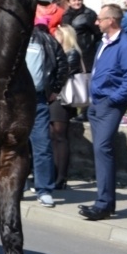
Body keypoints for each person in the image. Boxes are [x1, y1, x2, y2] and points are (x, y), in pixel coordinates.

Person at [80, 4, 127, 220]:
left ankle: (103, 205)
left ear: (111, 21)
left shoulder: (126, 46)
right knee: (102, 152)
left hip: (109, 104)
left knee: (102, 149)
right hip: (97, 103)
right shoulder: (105, 42)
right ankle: (108, 202)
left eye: (100, 19)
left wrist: (113, 99)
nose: (96, 22)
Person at [26, 17, 69, 208]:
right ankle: (15, 187)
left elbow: (62, 65)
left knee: (42, 145)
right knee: (15, 147)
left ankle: (44, 190)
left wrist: (55, 90)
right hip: (13, 101)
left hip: (38, 100)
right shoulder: (16, 38)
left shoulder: (48, 42)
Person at [51, 24, 83, 190]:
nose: (55, 37)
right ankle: (54, 174)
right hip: (55, 97)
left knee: (60, 136)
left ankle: (61, 177)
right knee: (53, 136)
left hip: (63, 98)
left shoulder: (72, 53)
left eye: (58, 34)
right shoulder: (59, 52)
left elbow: (65, 74)